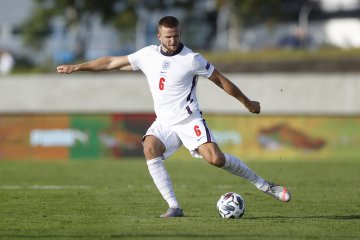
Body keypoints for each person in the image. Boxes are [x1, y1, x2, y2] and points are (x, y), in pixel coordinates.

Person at [57, 16, 291, 218]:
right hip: (165, 123)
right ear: (158, 36)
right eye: (168, 37)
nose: (172, 41)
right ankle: (174, 206)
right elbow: (110, 62)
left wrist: (247, 102)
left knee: (216, 160)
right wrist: (77, 67)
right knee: (149, 147)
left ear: (180, 34)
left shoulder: (192, 59)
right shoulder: (147, 55)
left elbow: (220, 80)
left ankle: (265, 185)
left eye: (176, 36)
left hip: (190, 120)